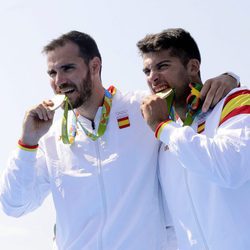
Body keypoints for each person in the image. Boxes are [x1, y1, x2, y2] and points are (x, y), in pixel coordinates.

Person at [0, 31, 238, 250]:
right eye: (52, 73)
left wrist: (229, 79)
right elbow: (15, 205)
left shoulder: (144, 109)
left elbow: (186, 96)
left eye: (67, 69)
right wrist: (26, 144)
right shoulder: (49, 137)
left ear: (94, 67)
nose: (58, 81)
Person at [139, 28, 250, 250]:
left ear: (192, 67)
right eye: (147, 71)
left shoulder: (236, 101)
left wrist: (163, 127)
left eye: (163, 66)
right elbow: (170, 223)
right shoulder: (165, 137)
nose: (153, 77)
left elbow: (231, 169)